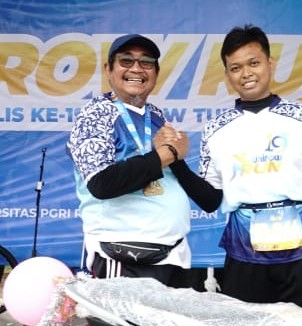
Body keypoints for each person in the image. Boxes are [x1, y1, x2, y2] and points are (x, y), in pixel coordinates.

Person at [199, 24, 302, 314]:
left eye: (254, 63)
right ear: (227, 76)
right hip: (244, 256)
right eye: (236, 68)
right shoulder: (215, 129)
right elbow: (210, 196)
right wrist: (174, 161)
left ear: (270, 64)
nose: (246, 73)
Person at [68, 34, 222, 288]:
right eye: (126, 61)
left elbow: (208, 200)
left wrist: (176, 158)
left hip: (173, 255)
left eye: (146, 62)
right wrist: (166, 154)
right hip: (122, 256)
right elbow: (101, 183)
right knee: (122, 318)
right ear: (108, 69)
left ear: (156, 73)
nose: (137, 68)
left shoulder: (156, 116)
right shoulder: (95, 114)